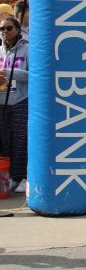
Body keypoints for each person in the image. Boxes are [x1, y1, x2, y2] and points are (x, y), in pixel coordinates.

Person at [0, 16, 29, 193]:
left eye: (8, 28)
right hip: (2, 102)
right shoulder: (0, 51)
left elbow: (35, 74)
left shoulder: (28, 49)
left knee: (20, 141)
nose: (4, 32)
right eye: (2, 29)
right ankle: (7, 177)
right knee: (4, 141)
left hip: (20, 100)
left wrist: (11, 73)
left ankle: (20, 177)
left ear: (18, 30)